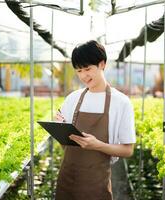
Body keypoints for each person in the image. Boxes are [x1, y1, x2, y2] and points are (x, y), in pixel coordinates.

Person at [55, 40, 136, 200]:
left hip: (96, 186)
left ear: (102, 64)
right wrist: (59, 128)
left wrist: (98, 145)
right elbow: (65, 144)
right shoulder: (72, 99)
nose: (83, 76)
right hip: (67, 181)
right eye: (79, 71)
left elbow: (128, 150)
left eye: (88, 69)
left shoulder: (121, 102)